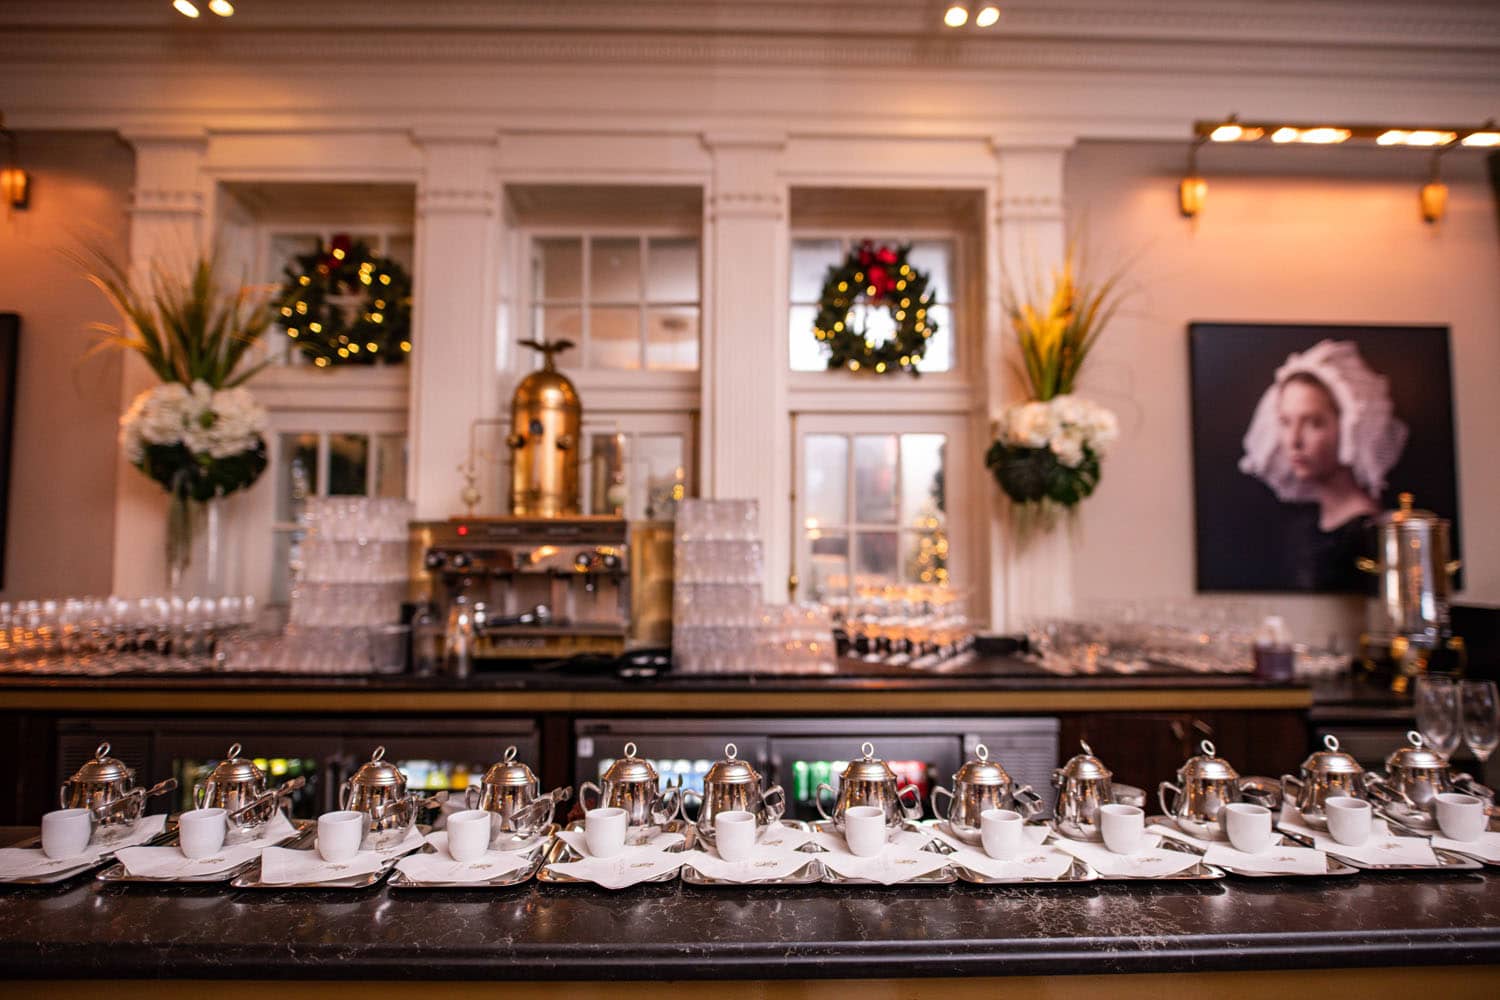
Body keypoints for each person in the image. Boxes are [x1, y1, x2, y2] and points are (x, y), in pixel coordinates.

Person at [1239, 339, 1408, 591]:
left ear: (1351, 427)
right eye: (1286, 422)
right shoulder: (1303, 527)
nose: (1294, 440)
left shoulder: (1368, 534)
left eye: (1313, 423)